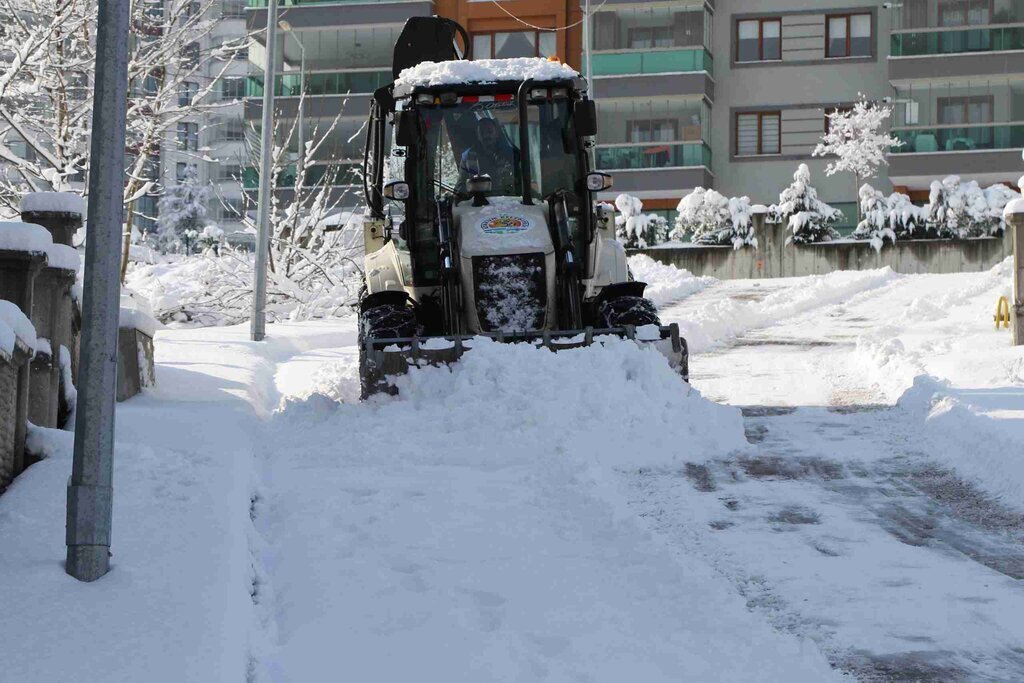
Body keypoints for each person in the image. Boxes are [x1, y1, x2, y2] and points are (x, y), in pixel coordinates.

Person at [459, 117, 520, 196]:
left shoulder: (511, 154)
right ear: (478, 135)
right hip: (479, 203)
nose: (486, 135)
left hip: (509, 201)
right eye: (482, 132)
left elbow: (522, 183)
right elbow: (461, 188)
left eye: (489, 131)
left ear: (496, 133)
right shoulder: (469, 157)